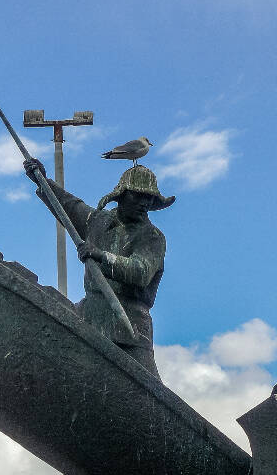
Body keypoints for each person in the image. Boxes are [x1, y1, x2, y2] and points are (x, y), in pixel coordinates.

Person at [24, 160, 174, 379]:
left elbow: (141, 271)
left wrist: (101, 255)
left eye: (149, 198)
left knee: (146, 390)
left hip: (129, 327)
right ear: (122, 195)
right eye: (138, 196)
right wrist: (42, 180)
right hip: (90, 318)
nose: (144, 203)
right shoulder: (97, 221)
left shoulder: (152, 237)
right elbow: (68, 204)